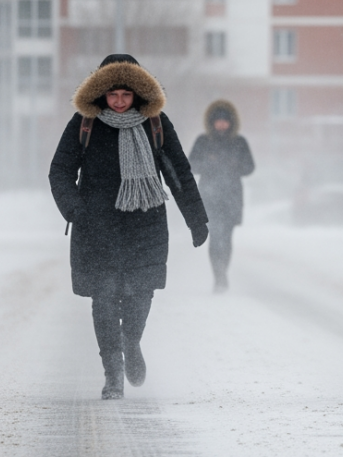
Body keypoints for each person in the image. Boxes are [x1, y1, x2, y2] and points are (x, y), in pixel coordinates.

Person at [49, 54, 209, 400]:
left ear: (137, 93)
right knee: (104, 298)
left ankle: (131, 342)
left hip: (145, 224)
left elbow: (179, 173)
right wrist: (77, 210)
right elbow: (60, 171)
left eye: (126, 95)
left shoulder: (156, 124)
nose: (119, 102)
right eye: (112, 95)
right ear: (100, 93)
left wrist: (196, 218)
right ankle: (112, 373)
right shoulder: (84, 124)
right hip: (97, 227)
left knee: (140, 293)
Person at [189, 100, 255, 293]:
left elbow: (250, 167)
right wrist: (211, 165)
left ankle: (222, 272)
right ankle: (219, 276)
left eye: (225, 120)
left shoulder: (239, 142)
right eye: (218, 120)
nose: (221, 124)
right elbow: (191, 164)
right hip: (209, 197)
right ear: (211, 122)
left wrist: (234, 166)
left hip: (232, 197)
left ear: (231, 122)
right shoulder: (203, 141)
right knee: (215, 236)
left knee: (226, 237)